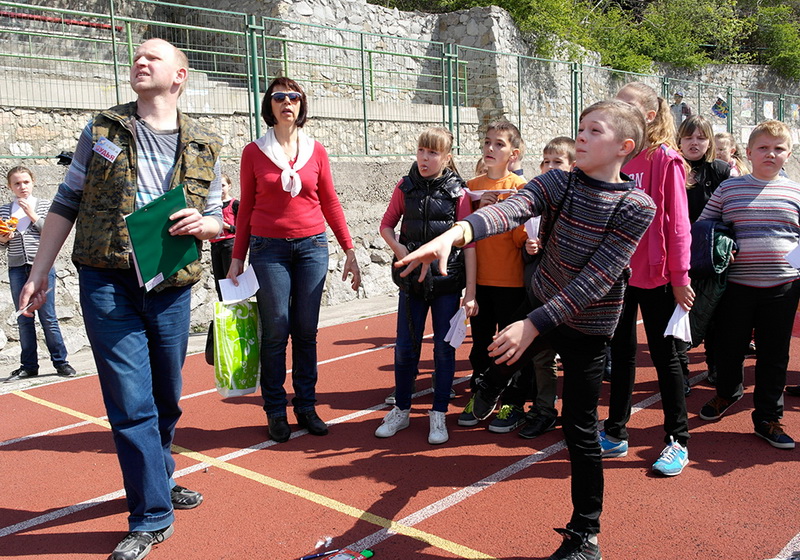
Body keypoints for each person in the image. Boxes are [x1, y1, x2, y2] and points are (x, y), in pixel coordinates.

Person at [395, 100, 655, 560]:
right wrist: (454, 234)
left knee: (579, 432)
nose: (582, 135)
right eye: (581, 126)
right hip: (540, 301)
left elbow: (597, 278)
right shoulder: (558, 180)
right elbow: (509, 209)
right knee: (496, 362)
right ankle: (493, 388)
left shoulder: (637, 206)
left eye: (594, 130)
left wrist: (533, 325)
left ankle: (584, 536)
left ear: (624, 148)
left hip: (588, 328)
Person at [19, 38, 222, 560]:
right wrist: (39, 273)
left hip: (171, 283)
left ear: (179, 75)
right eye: (137, 55)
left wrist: (208, 224)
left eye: (153, 57)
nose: (140, 60)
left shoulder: (204, 141)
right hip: (107, 281)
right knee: (131, 403)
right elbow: (67, 199)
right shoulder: (103, 128)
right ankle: (151, 516)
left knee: (166, 397)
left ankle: (160, 477)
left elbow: (221, 213)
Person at [228, 77, 361, 444]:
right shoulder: (253, 152)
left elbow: (330, 202)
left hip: (312, 248)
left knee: (306, 331)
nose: (288, 102)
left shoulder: (316, 150)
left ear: (302, 105)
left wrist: (349, 249)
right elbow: (246, 208)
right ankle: (274, 409)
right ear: (269, 106)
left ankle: (306, 406)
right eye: (279, 97)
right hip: (268, 250)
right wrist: (238, 258)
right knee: (276, 330)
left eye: (294, 97)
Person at [600, 81, 693, 477]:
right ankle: (616, 431)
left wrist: (680, 276)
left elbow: (678, 225)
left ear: (649, 116)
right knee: (620, 356)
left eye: (625, 104)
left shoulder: (663, 159)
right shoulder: (615, 155)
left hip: (657, 277)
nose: (615, 109)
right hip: (619, 273)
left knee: (665, 356)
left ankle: (677, 440)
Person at [698, 120, 800, 450]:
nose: (771, 153)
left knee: (774, 355)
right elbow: (704, 227)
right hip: (736, 287)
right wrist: (719, 247)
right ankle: (727, 393)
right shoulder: (729, 189)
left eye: (779, 148)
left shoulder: (796, 192)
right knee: (729, 347)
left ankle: (768, 417)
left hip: (783, 288)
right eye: (764, 147)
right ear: (749, 152)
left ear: (789, 153)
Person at [375, 127, 475, 444]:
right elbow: (386, 225)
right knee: (405, 349)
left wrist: (470, 292)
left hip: (446, 283)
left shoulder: (458, 192)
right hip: (411, 284)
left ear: (446, 158)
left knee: (444, 352)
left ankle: (438, 415)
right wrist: (399, 249)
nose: (424, 157)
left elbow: (469, 245)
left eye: (432, 152)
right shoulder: (404, 187)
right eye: (421, 150)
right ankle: (401, 411)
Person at [457, 120, 529, 434]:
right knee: (481, 346)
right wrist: (479, 213)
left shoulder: (520, 187)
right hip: (481, 280)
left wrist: (503, 215)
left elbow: (523, 239)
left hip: (513, 282)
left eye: (498, 144)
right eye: (487, 142)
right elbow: (462, 236)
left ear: (513, 153)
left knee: (510, 347)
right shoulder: (471, 185)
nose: (490, 148)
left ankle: (514, 401)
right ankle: (480, 394)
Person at [516, 136, 576, 440]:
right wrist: (529, 248)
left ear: (572, 167)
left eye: (558, 162)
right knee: (542, 355)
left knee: (576, 356)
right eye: (546, 161)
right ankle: (544, 410)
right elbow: (525, 253)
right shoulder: (537, 200)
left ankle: (577, 415)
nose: (550, 167)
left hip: (571, 295)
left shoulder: (577, 202)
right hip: (539, 291)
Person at [0, 166, 75, 382]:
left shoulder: (44, 205)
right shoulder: (5, 210)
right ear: (9, 186)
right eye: (16, 183)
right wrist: (5, 238)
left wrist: (32, 215)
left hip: (41, 266)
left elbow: (50, 231)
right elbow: (3, 243)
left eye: (25, 182)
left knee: (48, 316)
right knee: (23, 317)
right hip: (16, 267)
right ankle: (29, 366)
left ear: (33, 182)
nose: (21, 187)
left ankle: (61, 362)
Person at [677, 116, 731, 386]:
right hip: (679, 255)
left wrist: (731, 245)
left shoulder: (720, 170)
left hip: (712, 256)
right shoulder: (673, 167)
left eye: (700, 137)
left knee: (716, 317)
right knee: (680, 314)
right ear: (680, 141)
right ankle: (681, 374)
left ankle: (715, 366)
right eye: (689, 137)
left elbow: (733, 213)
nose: (694, 142)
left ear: (709, 141)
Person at [208, 173, 239, 299]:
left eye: (223, 185)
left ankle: (236, 307)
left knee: (231, 279)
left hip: (229, 245)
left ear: (229, 186)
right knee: (219, 282)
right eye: (217, 186)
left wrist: (227, 227)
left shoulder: (235, 204)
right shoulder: (212, 207)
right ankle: (224, 310)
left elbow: (243, 229)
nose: (221, 189)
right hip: (215, 245)